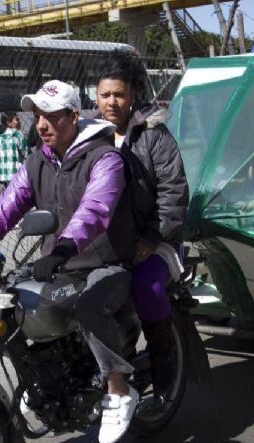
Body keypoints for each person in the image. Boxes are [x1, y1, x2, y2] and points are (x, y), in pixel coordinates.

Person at [0, 80, 140, 443]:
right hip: (60, 264)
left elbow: (96, 210)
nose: (41, 124)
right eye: (37, 115)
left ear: (74, 117)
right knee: (10, 301)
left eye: (51, 116)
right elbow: (5, 208)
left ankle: (119, 390)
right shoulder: (38, 160)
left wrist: (63, 247)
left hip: (107, 262)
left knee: (90, 305)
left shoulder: (104, 158)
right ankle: (43, 378)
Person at [96, 50, 188, 406]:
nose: (112, 102)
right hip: (108, 245)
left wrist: (151, 237)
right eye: (105, 95)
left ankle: (164, 357)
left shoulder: (154, 134)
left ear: (132, 94)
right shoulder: (91, 135)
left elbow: (174, 190)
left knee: (146, 286)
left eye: (119, 94)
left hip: (157, 240)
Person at [0, 112, 26, 205]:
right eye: (17, 119)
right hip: (16, 174)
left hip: (2, 175)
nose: (19, 121)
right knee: (17, 201)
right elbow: (26, 153)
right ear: (8, 122)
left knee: (5, 202)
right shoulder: (18, 134)